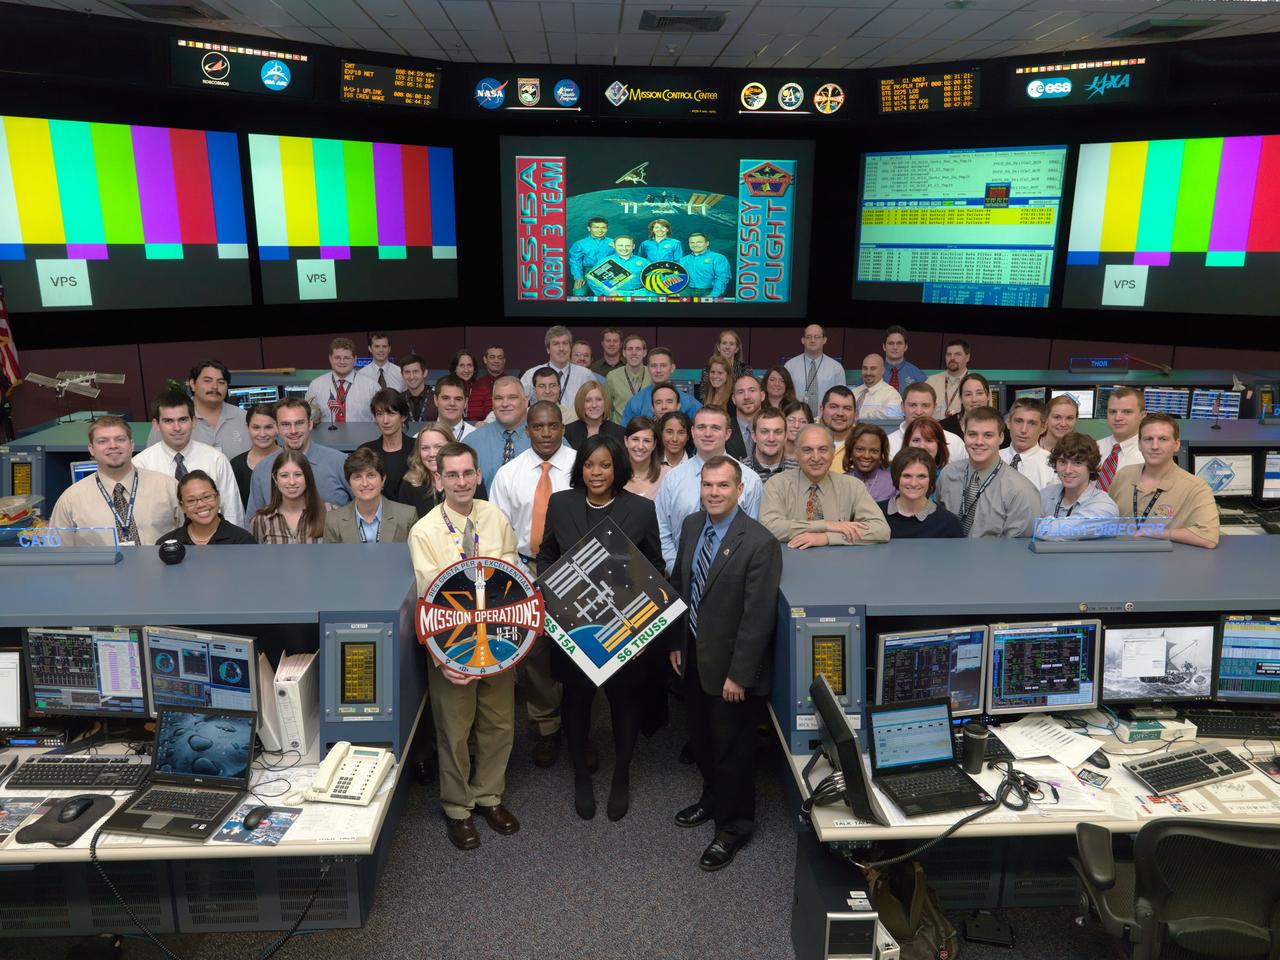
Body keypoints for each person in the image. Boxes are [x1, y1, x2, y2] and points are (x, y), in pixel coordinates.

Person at [538, 435, 664, 822]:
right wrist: (550, 600)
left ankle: (622, 775)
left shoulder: (640, 509)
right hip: (574, 626)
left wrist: (644, 628)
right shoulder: (561, 503)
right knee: (576, 701)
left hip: (624, 627)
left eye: (605, 465)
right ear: (581, 469)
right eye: (590, 465)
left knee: (624, 702)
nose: (597, 472)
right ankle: (580, 774)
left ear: (617, 469)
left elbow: (656, 570)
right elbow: (546, 554)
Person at [669, 456, 782, 872]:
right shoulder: (692, 526)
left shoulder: (759, 542)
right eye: (708, 485)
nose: (714, 493)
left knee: (733, 751)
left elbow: (758, 618)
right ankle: (712, 799)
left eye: (722, 486)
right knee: (700, 739)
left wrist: (740, 673)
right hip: (695, 654)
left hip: (732, 667)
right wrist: (677, 643)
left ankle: (733, 828)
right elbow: (683, 588)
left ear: (740, 490)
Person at [409, 441, 521, 851]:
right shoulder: (424, 531)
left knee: (498, 723)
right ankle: (458, 807)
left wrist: (511, 644)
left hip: (498, 642)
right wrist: (442, 659)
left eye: (467, 473)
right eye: (451, 474)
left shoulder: (494, 517)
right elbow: (428, 599)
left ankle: (489, 796)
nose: (461, 481)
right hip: (451, 647)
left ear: (478, 475)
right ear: (438, 479)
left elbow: (513, 582)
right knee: (454, 730)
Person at [489, 401, 577, 766]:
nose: (545, 434)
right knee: (535, 656)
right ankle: (547, 726)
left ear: (562, 428)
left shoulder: (580, 466)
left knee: (578, 650)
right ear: (527, 430)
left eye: (552, 426)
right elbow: (499, 531)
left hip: (574, 569)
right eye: (538, 427)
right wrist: (514, 578)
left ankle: (579, 728)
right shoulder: (509, 474)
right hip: (526, 570)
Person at [655, 406, 764, 573]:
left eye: (715, 428)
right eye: (701, 427)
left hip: (731, 577)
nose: (707, 434)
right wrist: (676, 568)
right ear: (692, 432)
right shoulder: (673, 478)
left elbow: (752, 536)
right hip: (679, 575)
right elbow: (662, 529)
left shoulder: (749, 480)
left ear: (728, 433)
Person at [50, 415, 182, 547]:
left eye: (120, 439)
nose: (113, 446)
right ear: (91, 449)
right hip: (100, 568)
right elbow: (58, 554)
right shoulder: (71, 500)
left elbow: (191, 537)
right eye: (103, 441)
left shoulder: (168, 487)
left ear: (131, 444)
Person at [761, 424, 890, 549]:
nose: (816, 458)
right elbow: (768, 527)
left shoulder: (852, 486)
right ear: (796, 454)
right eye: (807, 450)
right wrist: (826, 525)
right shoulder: (777, 484)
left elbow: (881, 529)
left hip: (839, 564)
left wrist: (827, 538)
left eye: (823, 449)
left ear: (833, 453)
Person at [1107, 414, 1220, 549]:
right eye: (1148, 439)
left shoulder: (1196, 487)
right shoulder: (1123, 475)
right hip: (1120, 556)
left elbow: (1207, 538)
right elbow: (1106, 518)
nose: (1154, 446)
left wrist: (1149, 531)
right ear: (1139, 444)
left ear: (1176, 444)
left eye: (1163, 439)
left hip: (1166, 563)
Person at [133, 389, 243, 527]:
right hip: (160, 544)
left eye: (183, 420)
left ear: (194, 421)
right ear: (156, 425)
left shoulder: (216, 459)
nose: (177, 428)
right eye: (168, 421)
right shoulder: (140, 465)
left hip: (213, 543)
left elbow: (233, 512)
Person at [937, 406, 1040, 538]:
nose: (979, 442)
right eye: (972, 434)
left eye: (988, 435)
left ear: (1001, 438)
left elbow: (1018, 552)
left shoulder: (1021, 491)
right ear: (964, 435)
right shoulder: (948, 474)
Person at [245, 397, 351, 517]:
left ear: (310, 424)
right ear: (276, 428)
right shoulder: (262, 470)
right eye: (286, 424)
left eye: (299, 423)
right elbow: (252, 523)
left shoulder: (340, 462)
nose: (293, 430)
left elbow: (363, 509)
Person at [145, 360, 249, 458]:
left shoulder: (244, 418)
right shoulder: (169, 419)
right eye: (207, 381)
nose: (215, 387)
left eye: (221, 382)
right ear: (192, 384)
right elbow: (151, 460)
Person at [1035, 432, 1120, 540]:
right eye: (1062, 462)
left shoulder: (1105, 508)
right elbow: (1024, 525)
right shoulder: (1044, 495)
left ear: (1091, 466)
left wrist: (1041, 524)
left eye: (1077, 463)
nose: (1068, 470)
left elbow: (1049, 531)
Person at [324, 448, 417, 544]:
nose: (364, 483)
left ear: (383, 479)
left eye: (371, 475)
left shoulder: (407, 516)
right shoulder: (333, 521)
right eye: (357, 477)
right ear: (349, 483)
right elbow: (330, 558)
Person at [399, 423, 488, 518]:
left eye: (438, 447)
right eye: (425, 448)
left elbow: (483, 517)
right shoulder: (410, 484)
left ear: (452, 446)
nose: (432, 454)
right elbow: (405, 524)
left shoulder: (469, 478)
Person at [879, 449, 963, 539]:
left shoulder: (949, 523)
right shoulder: (875, 513)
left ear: (930, 480)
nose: (913, 483)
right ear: (896, 477)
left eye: (921, 476)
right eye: (907, 476)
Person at [158, 469, 256, 545]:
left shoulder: (242, 541)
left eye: (206, 497)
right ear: (182, 506)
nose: (201, 504)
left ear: (218, 497)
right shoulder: (166, 544)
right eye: (191, 500)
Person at [250, 450, 328, 544]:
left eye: (298, 474)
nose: (292, 482)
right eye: (284, 475)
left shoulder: (329, 513)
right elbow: (256, 557)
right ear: (275, 478)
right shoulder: (261, 520)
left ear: (307, 477)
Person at [467, 376, 530, 487]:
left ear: (525, 401)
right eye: (498, 398)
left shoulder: (546, 439)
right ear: (492, 403)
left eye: (512, 397)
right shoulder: (472, 442)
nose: (505, 404)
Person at [305, 337, 378, 424]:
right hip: (325, 437)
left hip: (363, 437)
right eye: (337, 357)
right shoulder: (316, 385)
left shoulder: (372, 387)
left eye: (347, 358)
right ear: (330, 359)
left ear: (355, 359)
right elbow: (307, 418)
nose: (342, 362)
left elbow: (379, 420)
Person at [887, 382, 965, 462]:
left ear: (935, 407)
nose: (919, 412)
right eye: (913, 405)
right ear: (902, 407)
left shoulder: (955, 442)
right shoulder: (888, 444)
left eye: (925, 405)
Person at [621, 348, 701, 424]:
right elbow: (624, 432)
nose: (658, 370)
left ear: (672, 368)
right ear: (648, 368)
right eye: (654, 366)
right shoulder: (635, 402)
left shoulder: (688, 402)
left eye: (663, 365)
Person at [358, 389, 413, 498]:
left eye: (391, 413)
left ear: (403, 417)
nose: (385, 420)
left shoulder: (417, 448)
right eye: (380, 414)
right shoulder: (366, 450)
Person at [519, 325, 595, 404]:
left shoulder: (585, 375)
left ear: (570, 347)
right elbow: (519, 404)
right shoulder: (531, 374)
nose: (561, 349)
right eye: (556, 344)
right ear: (548, 349)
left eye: (565, 343)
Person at [785, 325, 846, 417]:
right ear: (803, 340)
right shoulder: (790, 366)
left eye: (817, 337)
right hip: (797, 420)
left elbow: (841, 398)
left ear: (824, 340)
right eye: (808, 337)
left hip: (826, 421)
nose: (812, 340)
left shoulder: (836, 368)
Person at [1094, 386, 1146, 492]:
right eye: (1112, 412)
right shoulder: (1094, 448)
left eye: (1127, 412)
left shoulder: (1149, 455)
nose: (1118, 418)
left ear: (1142, 415)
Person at [1000, 398, 1056, 491]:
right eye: (1019, 421)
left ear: (1043, 428)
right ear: (1008, 423)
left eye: (1032, 423)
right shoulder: (992, 459)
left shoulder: (1052, 466)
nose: (1023, 430)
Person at [229, 403, 277, 508]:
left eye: (268, 427)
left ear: (278, 427)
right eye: (256, 427)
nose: (263, 434)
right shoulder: (236, 465)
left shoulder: (292, 460)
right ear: (247, 427)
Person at [842, 423, 895, 502]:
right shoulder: (840, 483)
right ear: (850, 451)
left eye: (874, 451)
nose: (866, 456)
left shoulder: (893, 483)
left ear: (881, 454)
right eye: (860, 449)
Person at [605, 334, 650, 423]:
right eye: (630, 349)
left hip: (647, 430)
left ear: (644, 352)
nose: (634, 353)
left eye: (638, 349)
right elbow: (607, 408)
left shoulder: (652, 374)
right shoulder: (612, 376)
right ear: (624, 353)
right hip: (620, 429)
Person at [743, 407, 796, 482]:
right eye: (764, 432)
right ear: (754, 436)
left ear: (785, 436)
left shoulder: (799, 471)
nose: (771, 439)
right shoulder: (739, 470)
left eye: (778, 432)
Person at [565, 380, 623, 448]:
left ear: (605, 402)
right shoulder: (567, 432)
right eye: (588, 400)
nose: (594, 405)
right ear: (581, 404)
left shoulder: (620, 432)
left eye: (598, 399)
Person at [698, 330, 751, 401]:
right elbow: (703, 396)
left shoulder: (745, 369)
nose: (727, 347)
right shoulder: (707, 369)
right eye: (724, 343)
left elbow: (747, 394)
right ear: (718, 347)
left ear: (736, 349)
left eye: (731, 344)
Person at [926, 338, 971, 417]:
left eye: (957, 354)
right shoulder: (931, 382)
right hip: (934, 428)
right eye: (949, 354)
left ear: (967, 357)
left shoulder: (977, 384)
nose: (952, 358)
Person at [940, 372, 992, 438]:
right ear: (961, 398)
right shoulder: (943, 428)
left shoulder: (1000, 427)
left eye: (979, 393)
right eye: (968, 394)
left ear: (988, 396)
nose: (974, 399)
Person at [569, 216, 614, 293]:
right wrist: (578, 277)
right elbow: (575, 261)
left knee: (611, 293)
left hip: (608, 271)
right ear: (589, 228)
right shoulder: (580, 244)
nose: (600, 230)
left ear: (607, 229)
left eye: (603, 227)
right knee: (579, 293)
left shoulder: (614, 242)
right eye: (596, 227)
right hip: (587, 272)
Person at [679, 232, 731, 298]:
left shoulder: (718, 258)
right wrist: (676, 291)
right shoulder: (683, 260)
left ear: (707, 243)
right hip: (687, 291)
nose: (695, 245)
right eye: (692, 243)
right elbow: (678, 277)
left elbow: (722, 277)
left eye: (699, 242)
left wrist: (714, 294)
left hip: (710, 291)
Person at [623, 416, 664, 499]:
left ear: (654, 444)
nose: (640, 446)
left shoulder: (667, 475)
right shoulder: (613, 473)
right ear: (626, 441)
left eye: (647, 441)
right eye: (635, 439)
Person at [726, 374, 764, 461]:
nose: (747, 397)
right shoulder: (723, 429)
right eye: (740, 392)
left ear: (762, 396)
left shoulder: (775, 428)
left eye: (752, 390)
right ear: (733, 399)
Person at [853, 354, 902, 420]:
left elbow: (894, 415)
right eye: (865, 368)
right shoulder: (854, 392)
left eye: (873, 368)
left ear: (882, 371)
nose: (868, 373)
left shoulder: (891, 394)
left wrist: (859, 416)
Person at [467, 345, 506, 422]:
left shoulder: (513, 383)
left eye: (500, 358)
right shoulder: (477, 385)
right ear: (485, 359)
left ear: (504, 360)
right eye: (492, 357)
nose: (496, 361)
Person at [819, 386, 856, 467]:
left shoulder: (863, 441)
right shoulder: (805, 437)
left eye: (847, 408)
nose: (840, 413)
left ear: (855, 414)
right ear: (821, 410)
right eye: (834, 407)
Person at [882, 325, 924, 395]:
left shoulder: (919, 376)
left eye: (899, 343)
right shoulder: (871, 373)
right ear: (884, 347)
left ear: (905, 347)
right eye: (891, 343)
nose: (895, 347)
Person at [434, 374, 478, 442]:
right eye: (446, 398)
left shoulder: (477, 436)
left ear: (466, 402)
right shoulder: (421, 438)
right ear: (436, 400)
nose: (452, 403)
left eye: (458, 399)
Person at [399, 352, 436, 424]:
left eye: (415, 371)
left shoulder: (436, 398)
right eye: (407, 372)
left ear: (425, 373)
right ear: (402, 375)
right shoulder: (398, 400)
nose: (411, 377)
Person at [448, 349, 483, 421]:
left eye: (469, 365)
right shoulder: (446, 389)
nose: (466, 370)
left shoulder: (483, 390)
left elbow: (491, 417)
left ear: (474, 368)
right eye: (462, 365)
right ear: (455, 368)